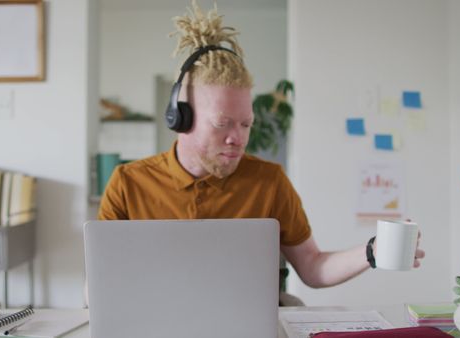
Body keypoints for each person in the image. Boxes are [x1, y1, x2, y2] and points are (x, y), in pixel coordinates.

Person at [97, 1, 425, 300]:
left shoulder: (269, 181)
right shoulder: (128, 183)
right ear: (181, 117)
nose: (237, 138)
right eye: (223, 123)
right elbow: (103, 279)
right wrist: (95, 292)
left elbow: (312, 267)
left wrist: (372, 252)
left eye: (245, 124)